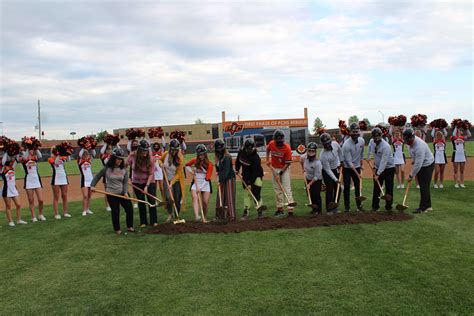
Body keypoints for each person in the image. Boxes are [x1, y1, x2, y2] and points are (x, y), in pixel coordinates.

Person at [91, 148, 134, 234]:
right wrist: (92, 186)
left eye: (121, 159)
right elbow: (97, 176)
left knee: (129, 209)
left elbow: (125, 182)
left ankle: (129, 226)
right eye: (118, 159)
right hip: (111, 194)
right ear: (113, 158)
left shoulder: (123, 170)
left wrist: (125, 192)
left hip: (123, 193)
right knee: (115, 211)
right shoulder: (107, 169)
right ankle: (117, 229)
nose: (120, 161)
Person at [403, 128, 434, 213]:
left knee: (424, 186)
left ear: (412, 137)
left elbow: (419, 164)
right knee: (424, 186)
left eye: (408, 139)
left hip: (427, 164)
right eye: (405, 139)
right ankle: (428, 206)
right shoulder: (408, 143)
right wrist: (414, 159)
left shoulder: (420, 146)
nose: (407, 141)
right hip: (421, 162)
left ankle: (423, 208)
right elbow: (413, 154)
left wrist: (411, 175)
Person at [128, 139, 157, 227]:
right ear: (139, 150)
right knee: (141, 202)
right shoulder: (133, 157)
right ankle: (143, 222)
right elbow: (127, 165)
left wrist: (147, 186)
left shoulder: (151, 159)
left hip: (149, 182)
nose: (145, 153)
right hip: (136, 182)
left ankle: (154, 221)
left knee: (151, 201)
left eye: (146, 151)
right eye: (143, 151)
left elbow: (151, 173)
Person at [266, 129, 295, 217]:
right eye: (277, 141)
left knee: (286, 188)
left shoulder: (287, 148)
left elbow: (287, 163)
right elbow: (268, 150)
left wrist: (280, 173)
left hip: (284, 168)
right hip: (274, 168)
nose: (279, 143)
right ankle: (280, 209)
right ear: (274, 140)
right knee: (277, 189)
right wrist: (267, 159)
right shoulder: (271, 144)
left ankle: (290, 209)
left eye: (280, 141)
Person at [235, 138, 264, 219]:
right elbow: (238, 161)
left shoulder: (256, 157)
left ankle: (260, 211)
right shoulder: (241, 152)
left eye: (250, 149)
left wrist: (250, 183)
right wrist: (237, 169)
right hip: (245, 175)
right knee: (247, 193)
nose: (248, 150)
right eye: (247, 148)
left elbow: (255, 172)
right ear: (245, 147)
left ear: (253, 148)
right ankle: (246, 212)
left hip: (257, 176)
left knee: (256, 192)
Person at [369, 128, 395, 212]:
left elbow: (384, 162)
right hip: (377, 167)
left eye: (378, 139)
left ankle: (388, 206)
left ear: (381, 136)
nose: (376, 141)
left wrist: (378, 174)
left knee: (389, 187)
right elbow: (370, 149)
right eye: (375, 139)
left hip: (389, 168)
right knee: (376, 187)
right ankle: (375, 206)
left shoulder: (386, 146)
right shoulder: (371, 142)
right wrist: (369, 158)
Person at [160, 139, 186, 223]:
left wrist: (172, 182)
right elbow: (160, 159)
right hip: (166, 179)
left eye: (176, 149)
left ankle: (177, 215)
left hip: (177, 180)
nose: (174, 151)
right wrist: (161, 163)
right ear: (170, 148)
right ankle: (170, 214)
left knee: (177, 198)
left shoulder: (180, 158)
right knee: (168, 198)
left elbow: (178, 173)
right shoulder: (165, 155)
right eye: (173, 149)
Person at [186, 144, 213, 222]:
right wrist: (191, 171)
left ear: (205, 154)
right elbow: (187, 165)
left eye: (202, 154)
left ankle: (203, 217)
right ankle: (197, 216)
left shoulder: (210, 164)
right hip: (196, 182)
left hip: (205, 183)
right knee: (195, 197)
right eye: (199, 154)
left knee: (205, 202)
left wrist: (200, 188)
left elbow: (207, 178)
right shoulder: (194, 161)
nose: (201, 156)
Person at [342, 122, 365, 213]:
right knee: (347, 187)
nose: (355, 133)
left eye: (356, 131)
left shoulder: (362, 141)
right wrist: (357, 174)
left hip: (357, 166)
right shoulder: (346, 145)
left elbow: (362, 152)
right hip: (348, 168)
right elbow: (349, 162)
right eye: (353, 132)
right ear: (350, 132)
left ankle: (359, 206)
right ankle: (347, 207)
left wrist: (361, 160)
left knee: (358, 187)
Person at [319, 133, 342, 214]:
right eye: (325, 144)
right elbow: (328, 170)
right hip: (327, 172)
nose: (327, 145)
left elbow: (340, 151)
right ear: (322, 144)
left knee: (338, 189)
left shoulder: (335, 144)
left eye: (328, 143)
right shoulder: (323, 155)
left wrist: (340, 162)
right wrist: (335, 179)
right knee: (330, 190)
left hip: (335, 169)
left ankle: (335, 207)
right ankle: (329, 209)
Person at [21, 147, 46, 221]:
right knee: (31, 200)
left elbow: (40, 156)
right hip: (29, 180)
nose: (32, 151)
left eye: (32, 149)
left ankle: (40, 215)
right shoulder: (24, 158)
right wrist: (28, 148)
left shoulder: (35, 157)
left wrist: (35, 147)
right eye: (30, 149)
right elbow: (25, 157)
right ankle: (33, 217)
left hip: (37, 180)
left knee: (41, 200)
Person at [1, 153, 26, 226]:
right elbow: (3, 162)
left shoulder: (12, 167)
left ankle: (19, 220)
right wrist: (5, 151)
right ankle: (10, 221)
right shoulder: (2, 168)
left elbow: (17, 159)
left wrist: (16, 152)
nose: (11, 159)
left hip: (14, 189)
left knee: (18, 205)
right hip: (6, 190)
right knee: (8, 206)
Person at [214, 139, 236, 220]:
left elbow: (226, 171)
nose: (219, 151)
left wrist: (220, 180)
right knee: (220, 197)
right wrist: (217, 172)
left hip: (229, 178)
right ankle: (220, 216)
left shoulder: (227, 157)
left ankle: (232, 216)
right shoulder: (217, 157)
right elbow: (218, 167)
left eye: (220, 149)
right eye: (218, 149)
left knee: (229, 196)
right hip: (222, 178)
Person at [49, 146, 71, 219]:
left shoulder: (62, 158)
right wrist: (59, 155)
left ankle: (65, 212)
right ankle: (56, 214)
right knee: (56, 197)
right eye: (54, 149)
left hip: (64, 178)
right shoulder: (50, 159)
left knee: (64, 195)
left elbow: (69, 160)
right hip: (56, 179)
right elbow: (55, 162)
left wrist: (68, 152)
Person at [302, 142, 323, 214]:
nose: (311, 152)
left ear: (315, 152)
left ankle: (319, 211)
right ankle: (314, 210)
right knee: (310, 195)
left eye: (312, 151)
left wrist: (309, 184)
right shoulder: (304, 158)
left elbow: (317, 176)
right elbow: (301, 161)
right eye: (309, 151)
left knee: (316, 195)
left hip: (316, 180)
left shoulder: (317, 163)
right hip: (308, 178)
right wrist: (303, 170)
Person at [78, 148, 95, 216]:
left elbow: (94, 153)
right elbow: (79, 154)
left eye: (87, 154)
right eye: (85, 154)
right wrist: (83, 147)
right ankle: (84, 210)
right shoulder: (80, 161)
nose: (86, 155)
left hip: (90, 180)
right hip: (84, 181)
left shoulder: (89, 161)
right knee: (85, 196)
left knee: (89, 196)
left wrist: (93, 147)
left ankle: (87, 209)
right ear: (82, 155)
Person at [99, 143, 112, 211]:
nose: (110, 150)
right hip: (106, 175)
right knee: (107, 191)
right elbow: (101, 151)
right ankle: (107, 206)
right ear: (106, 150)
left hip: (113, 175)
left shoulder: (113, 156)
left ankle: (113, 204)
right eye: (108, 149)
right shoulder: (103, 156)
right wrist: (106, 142)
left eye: (110, 149)